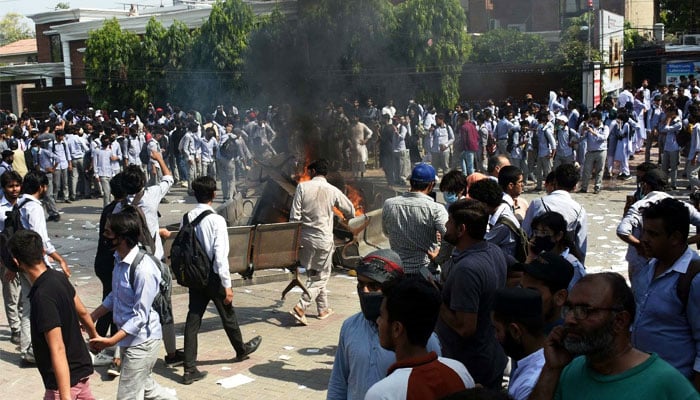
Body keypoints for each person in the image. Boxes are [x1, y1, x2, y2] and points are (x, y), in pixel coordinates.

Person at [529, 273, 700, 400]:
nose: (570, 319)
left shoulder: (667, 385)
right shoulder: (569, 371)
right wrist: (551, 369)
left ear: (619, 321)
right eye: (569, 309)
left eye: (584, 311)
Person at [327, 249, 442, 400]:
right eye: (361, 285)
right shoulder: (350, 327)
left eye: (373, 286)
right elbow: (339, 382)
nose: (365, 292)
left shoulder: (420, 337)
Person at [89, 209, 178, 400]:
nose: (104, 236)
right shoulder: (118, 259)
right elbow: (115, 295)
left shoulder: (144, 270)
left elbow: (140, 317)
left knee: (128, 396)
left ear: (122, 237)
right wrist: (92, 316)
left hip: (143, 342)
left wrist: (111, 341)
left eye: (108, 233)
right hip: (128, 338)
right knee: (147, 388)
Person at [182, 176, 262, 384]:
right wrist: (227, 285)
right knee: (228, 314)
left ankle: (189, 368)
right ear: (214, 195)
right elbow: (220, 255)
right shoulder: (217, 220)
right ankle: (241, 350)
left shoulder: (188, 216)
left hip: (195, 276)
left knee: (193, 320)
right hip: (213, 277)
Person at [8, 230, 97, 400]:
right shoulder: (58, 277)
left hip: (64, 386)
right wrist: (94, 337)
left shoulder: (41, 296)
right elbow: (83, 312)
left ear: (16, 261)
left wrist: (64, 397)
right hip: (82, 374)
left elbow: (57, 348)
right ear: (43, 252)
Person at [365, 276, 475, 400]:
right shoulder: (459, 372)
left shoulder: (382, 394)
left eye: (382, 315)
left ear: (397, 328)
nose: (378, 321)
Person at [437, 199, 507, 390]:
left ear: (461, 229)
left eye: (450, 222)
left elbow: (465, 328)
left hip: (471, 366)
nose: (445, 226)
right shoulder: (493, 250)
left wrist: (438, 302)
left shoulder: (467, 269)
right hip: (491, 356)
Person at [633, 197, 700, 389]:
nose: (644, 239)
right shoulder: (648, 267)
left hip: (675, 386)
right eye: (644, 231)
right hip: (642, 380)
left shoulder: (693, 279)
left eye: (653, 234)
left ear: (676, 238)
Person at [289, 159, 354, 325]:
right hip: (323, 239)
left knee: (316, 275)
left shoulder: (302, 187)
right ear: (326, 174)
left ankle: (323, 309)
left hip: (305, 239)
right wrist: (347, 218)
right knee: (322, 277)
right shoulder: (332, 190)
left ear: (312, 172)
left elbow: (294, 217)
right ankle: (301, 307)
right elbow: (350, 210)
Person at [18, 171, 71, 364]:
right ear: (42, 187)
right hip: (36, 264)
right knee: (46, 305)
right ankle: (43, 349)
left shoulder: (20, 203)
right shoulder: (34, 207)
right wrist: (59, 260)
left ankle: (27, 350)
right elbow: (42, 241)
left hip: (22, 262)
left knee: (27, 305)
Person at [618, 169, 700, 280]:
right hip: (674, 264)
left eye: (652, 234)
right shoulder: (681, 206)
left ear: (645, 186)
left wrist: (640, 246)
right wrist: (685, 242)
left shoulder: (639, 206)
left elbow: (622, 231)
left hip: (642, 264)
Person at [382, 163, 447, 277]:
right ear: (431, 185)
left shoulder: (389, 204)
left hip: (398, 271)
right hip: (426, 273)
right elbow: (449, 237)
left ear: (410, 182)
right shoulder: (436, 209)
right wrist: (440, 257)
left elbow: (386, 231)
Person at [522, 163, 588, 263]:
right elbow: (581, 245)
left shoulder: (538, 203)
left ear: (555, 181)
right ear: (574, 187)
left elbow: (525, 232)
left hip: (537, 259)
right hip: (564, 262)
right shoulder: (579, 210)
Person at [491, 287, 545, 400]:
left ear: (515, 331)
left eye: (497, 330)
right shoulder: (532, 362)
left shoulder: (529, 385)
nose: (496, 337)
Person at [516, 252, 575, 334]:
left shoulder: (563, 340)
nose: (522, 298)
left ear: (560, 297)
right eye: (521, 289)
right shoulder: (519, 329)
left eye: (531, 293)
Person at [467, 179, 520, 260]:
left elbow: (481, 246)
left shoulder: (503, 225)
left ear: (484, 204)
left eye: (475, 203)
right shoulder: (502, 209)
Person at [0, 170, 22, 345]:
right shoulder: (1, 210)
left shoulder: (25, 205)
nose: (14, 189)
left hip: (25, 257)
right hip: (6, 257)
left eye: (17, 185)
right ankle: (15, 327)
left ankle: (24, 324)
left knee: (24, 292)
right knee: (11, 293)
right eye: (10, 186)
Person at [579, 111, 609, 194]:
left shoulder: (605, 128)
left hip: (601, 151)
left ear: (599, 120)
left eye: (595, 120)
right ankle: (584, 187)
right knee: (586, 170)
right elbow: (581, 138)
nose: (593, 121)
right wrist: (583, 131)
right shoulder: (590, 127)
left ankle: (597, 187)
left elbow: (604, 137)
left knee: (599, 170)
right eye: (592, 120)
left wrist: (593, 132)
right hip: (590, 151)